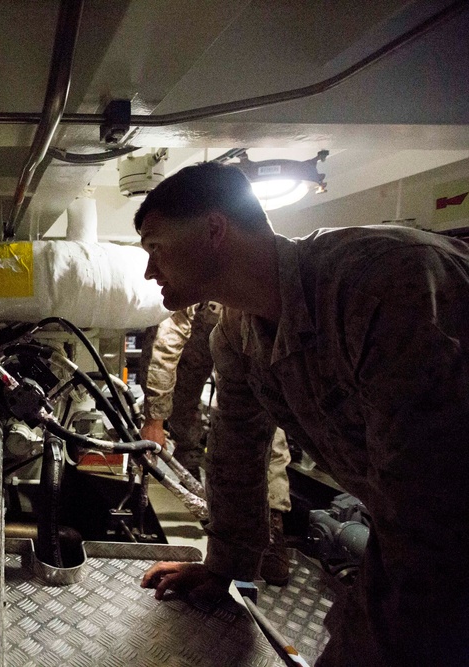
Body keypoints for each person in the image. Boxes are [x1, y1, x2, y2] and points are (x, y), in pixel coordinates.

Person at [134, 161, 469, 666]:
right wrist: (223, 565)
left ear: (214, 230)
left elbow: (430, 516)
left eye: (156, 247)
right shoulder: (237, 331)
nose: (149, 270)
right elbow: (237, 448)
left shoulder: (382, 283)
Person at [139, 301, 293, 585]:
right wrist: (155, 418)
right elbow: (241, 435)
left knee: (268, 418)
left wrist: (154, 419)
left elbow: (167, 341)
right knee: (187, 410)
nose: (149, 271)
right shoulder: (224, 322)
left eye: (157, 254)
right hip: (205, 330)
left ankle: (271, 530)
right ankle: (200, 494)